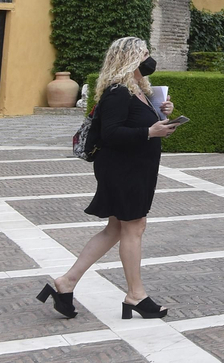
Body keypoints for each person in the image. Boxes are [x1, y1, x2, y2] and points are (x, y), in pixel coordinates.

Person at [37, 37, 178, 320]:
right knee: (134, 227)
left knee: (116, 229)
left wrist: (162, 114)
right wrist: (150, 132)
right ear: (129, 58)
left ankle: (67, 283)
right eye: (145, 54)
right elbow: (111, 133)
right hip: (122, 169)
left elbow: (136, 124)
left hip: (137, 168)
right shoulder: (117, 92)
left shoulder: (139, 90)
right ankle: (135, 295)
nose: (149, 59)